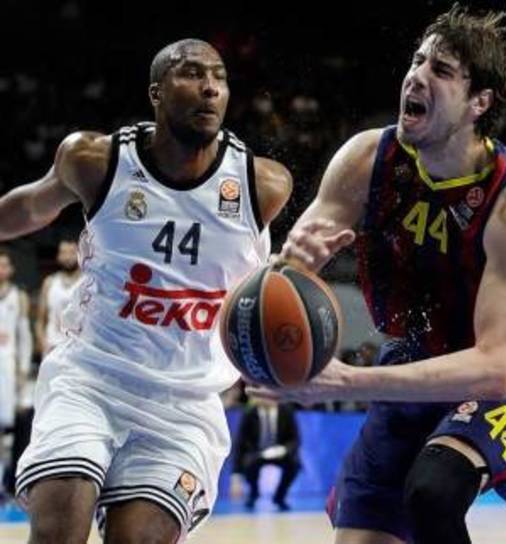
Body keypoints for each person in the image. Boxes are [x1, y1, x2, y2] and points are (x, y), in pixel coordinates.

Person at [265, 5, 506, 544]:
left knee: (433, 491)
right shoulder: (366, 158)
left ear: (480, 102)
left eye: (441, 70)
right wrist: (289, 269)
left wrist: (347, 382)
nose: (416, 76)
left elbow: (495, 368)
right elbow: (280, 286)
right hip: (418, 359)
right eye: (417, 60)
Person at [4, 39, 291, 543]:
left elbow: (270, 288)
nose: (210, 88)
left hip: (184, 403)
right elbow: (30, 208)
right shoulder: (95, 160)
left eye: (219, 77)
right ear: (156, 93)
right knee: (59, 523)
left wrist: (275, 358)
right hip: (90, 379)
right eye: (192, 73)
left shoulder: (261, 186)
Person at [0, 248, 32, 494]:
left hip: (8, 367)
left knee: (9, 426)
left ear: (10, 269)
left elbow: (25, 338)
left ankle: (9, 481)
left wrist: (22, 370)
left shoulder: (19, 296)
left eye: (3, 265)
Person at [232, 399, 301, 511]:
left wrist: (284, 449)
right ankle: (254, 493)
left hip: (280, 452)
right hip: (257, 453)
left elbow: (295, 439)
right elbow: (240, 444)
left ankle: (279, 497)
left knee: (295, 464)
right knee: (248, 462)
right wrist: (236, 476)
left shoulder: (286, 411)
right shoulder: (250, 413)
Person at [35, 238, 81, 356]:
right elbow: (40, 320)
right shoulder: (49, 283)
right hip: (52, 346)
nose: (67, 257)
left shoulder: (87, 282)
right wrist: (42, 342)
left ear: (80, 255)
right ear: (58, 256)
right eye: (63, 252)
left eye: (72, 252)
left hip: (78, 348)